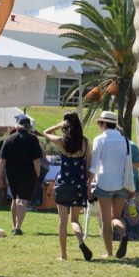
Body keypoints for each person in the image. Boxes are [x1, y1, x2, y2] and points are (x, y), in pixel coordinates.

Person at [42, 112, 93, 261]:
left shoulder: (60, 141)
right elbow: (89, 165)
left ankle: (64, 255)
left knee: (62, 221)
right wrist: (89, 184)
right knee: (75, 220)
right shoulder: (85, 142)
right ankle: (81, 241)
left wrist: (59, 125)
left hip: (63, 184)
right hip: (79, 185)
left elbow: (45, 133)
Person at [89, 111, 134, 258]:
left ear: (103, 123)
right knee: (116, 217)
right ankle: (123, 234)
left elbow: (94, 165)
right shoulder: (125, 140)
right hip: (121, 184)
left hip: (104, 183)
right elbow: (129, 164)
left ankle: (109, 253)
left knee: (106, 220)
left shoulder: (100, 139)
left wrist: (88, 184)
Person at [0, 114, 43, 235]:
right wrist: (38, 174)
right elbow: (37, 160)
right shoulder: (33, 139)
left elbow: (2, 160)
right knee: (22, 201)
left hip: (12, 174)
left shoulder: (9, 139)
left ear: (17, 125)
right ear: (28, 127)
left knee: (14, 199)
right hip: (28, 174)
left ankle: (14, 225)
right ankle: (18, 227)